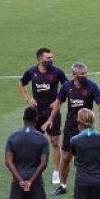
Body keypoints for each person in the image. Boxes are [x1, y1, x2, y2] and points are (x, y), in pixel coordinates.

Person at [42, 62, 100, 196]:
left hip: (87, 128)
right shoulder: (67, 86)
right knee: (65, 158)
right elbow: (58, 103)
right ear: (74, 75)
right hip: (71, 127)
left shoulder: (92, 86)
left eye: (85, 73)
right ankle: (63, 185)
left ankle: (88, 185)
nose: (85, 75)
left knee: (87, 157)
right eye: (82, 73)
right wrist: (50, 119)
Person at [1, 107, 51, 199]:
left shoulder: (13, 137)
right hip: (35, 182)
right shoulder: (42, 139)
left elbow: (8, 161)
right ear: (36, 120)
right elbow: (43, 164)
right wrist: (31, 180)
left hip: (18, 181)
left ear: (23, 119)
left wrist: (21, 180)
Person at [18, 47, 67, 186]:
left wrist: (59, 101)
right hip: (37, 112)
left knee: (55, 141)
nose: (51, 60)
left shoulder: (57, 72)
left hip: (53, 112)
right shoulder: (31, 72)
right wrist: (28, 99)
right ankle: (33, 169)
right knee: (35, 141)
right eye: (48, 58)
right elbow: (21, 84)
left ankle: (56, 172)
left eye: (51, 58)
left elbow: (67, 87)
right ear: (40, 59)